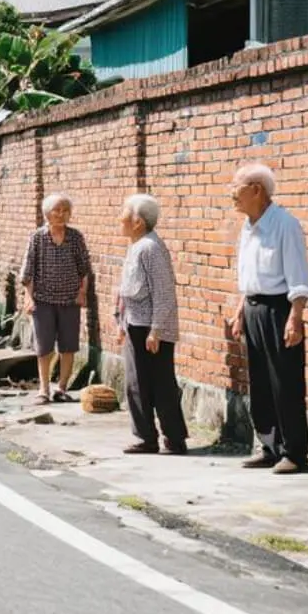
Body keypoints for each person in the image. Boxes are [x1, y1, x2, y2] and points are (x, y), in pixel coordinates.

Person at [229, 162, 308, 474]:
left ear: (256, 190)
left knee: (285, 382)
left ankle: (294, 452)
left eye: (236, 187)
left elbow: (299, 276)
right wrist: (240, 311)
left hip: (279, 308)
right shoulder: (249, 226)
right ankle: (269, 446)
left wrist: (296, 317)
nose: (231, 194)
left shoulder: (284, 225)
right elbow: (249, 276)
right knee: (260, 382)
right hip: (253, 308)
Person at [114, 194, 188, 455]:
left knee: (160, 384)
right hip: (136, 324)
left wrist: (156, 329)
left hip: (151, 329)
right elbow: (127, 289)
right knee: (136, 384)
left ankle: (174, 439)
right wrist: (121, 322)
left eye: (125, 212)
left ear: (137, 222)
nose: (120, 217)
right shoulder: (137, 245)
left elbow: (164, 292)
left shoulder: (151, 248)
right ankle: (146, 437)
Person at [20, 193, 91, 405]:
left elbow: (84, 269)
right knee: (44, 347)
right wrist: (28, 298)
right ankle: (43, 389)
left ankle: (61, 388)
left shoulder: (75, 237)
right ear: (47, 214)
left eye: (65, 211)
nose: (61, 214)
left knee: (68, 346)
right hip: (43, 300)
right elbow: (27, 273)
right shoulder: (37, 238)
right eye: (56, 210)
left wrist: (81, 293)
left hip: (70, 300)